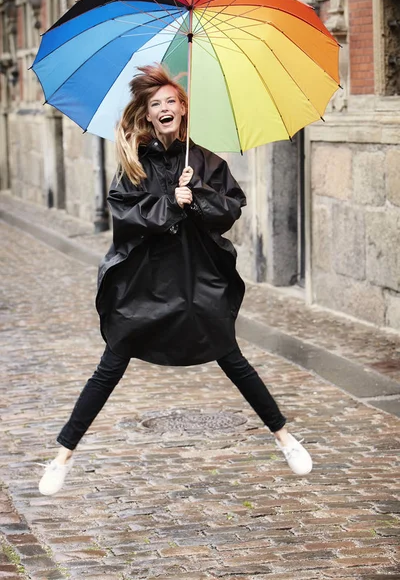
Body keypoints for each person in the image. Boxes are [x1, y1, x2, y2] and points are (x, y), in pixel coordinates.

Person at [38, 64, 312, 496]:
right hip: (146, 283)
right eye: (156, 104)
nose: (164, 108)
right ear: (147, 115)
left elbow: (231, 210)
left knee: (231, 357)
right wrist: (169, 200)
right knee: (110, 364)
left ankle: (284, 438)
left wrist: (196, 194)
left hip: (196, 277)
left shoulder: (204, 161)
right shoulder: (134, 163)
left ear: (183, 109)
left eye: (171, 101)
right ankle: (62, 457)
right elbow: (124, 212)